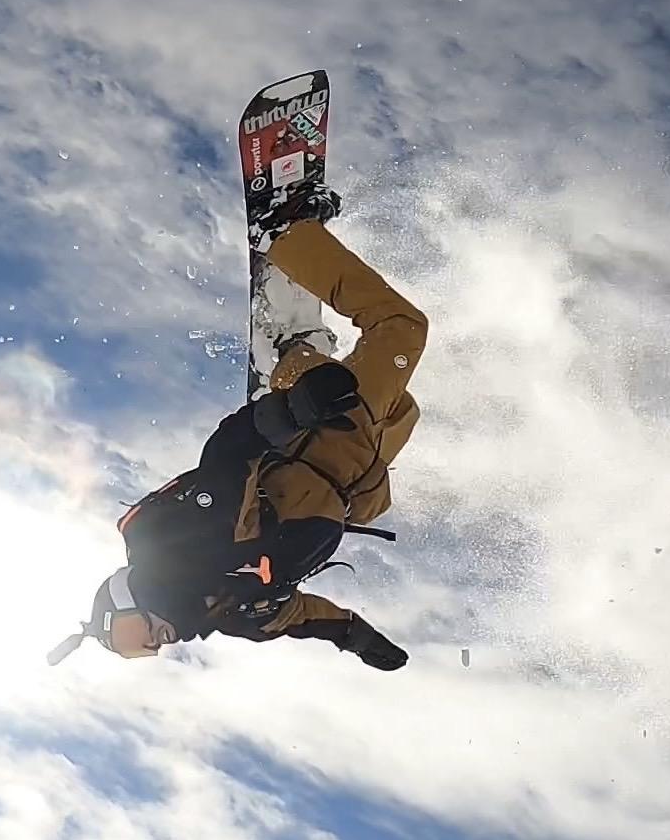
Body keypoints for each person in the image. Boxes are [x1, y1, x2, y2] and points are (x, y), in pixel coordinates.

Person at [50, 200, 425, 671]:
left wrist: (293, 410)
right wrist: (355, 637)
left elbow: (229, 453)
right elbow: (305, 618)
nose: (156, 645)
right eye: (147, 651)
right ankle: (295, 359)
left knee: (400, 328)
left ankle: (285, 237)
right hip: (356, 484)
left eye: (139, 634)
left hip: (324, 443)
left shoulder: (184, 545)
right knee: (405, 411)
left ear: (131, 598)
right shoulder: (241, 615)